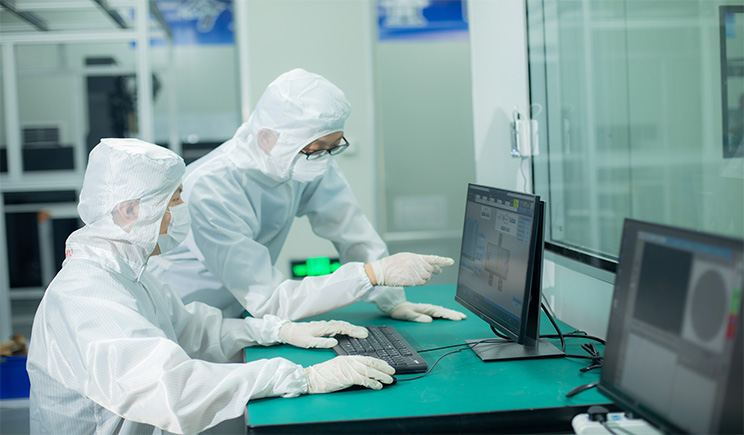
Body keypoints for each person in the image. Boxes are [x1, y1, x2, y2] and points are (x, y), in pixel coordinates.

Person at [26, 138, 396, 435]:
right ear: (130, 211)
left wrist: (275, 331)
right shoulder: (88, 297)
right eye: (174, 200)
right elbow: (173, 390)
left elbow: (190, 329)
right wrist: (302, 377)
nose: (179, 213)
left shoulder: (125, 273)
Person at [148, 68, 467, 323]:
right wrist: (372, 274)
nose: (324, 158)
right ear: (268, 138)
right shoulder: (210, 189)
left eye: (334, 147)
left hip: (239, 311)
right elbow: (268, 299)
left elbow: (351, 231)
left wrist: (391, 298)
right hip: (186, 317)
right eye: (317, 149)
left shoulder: (308, 159)